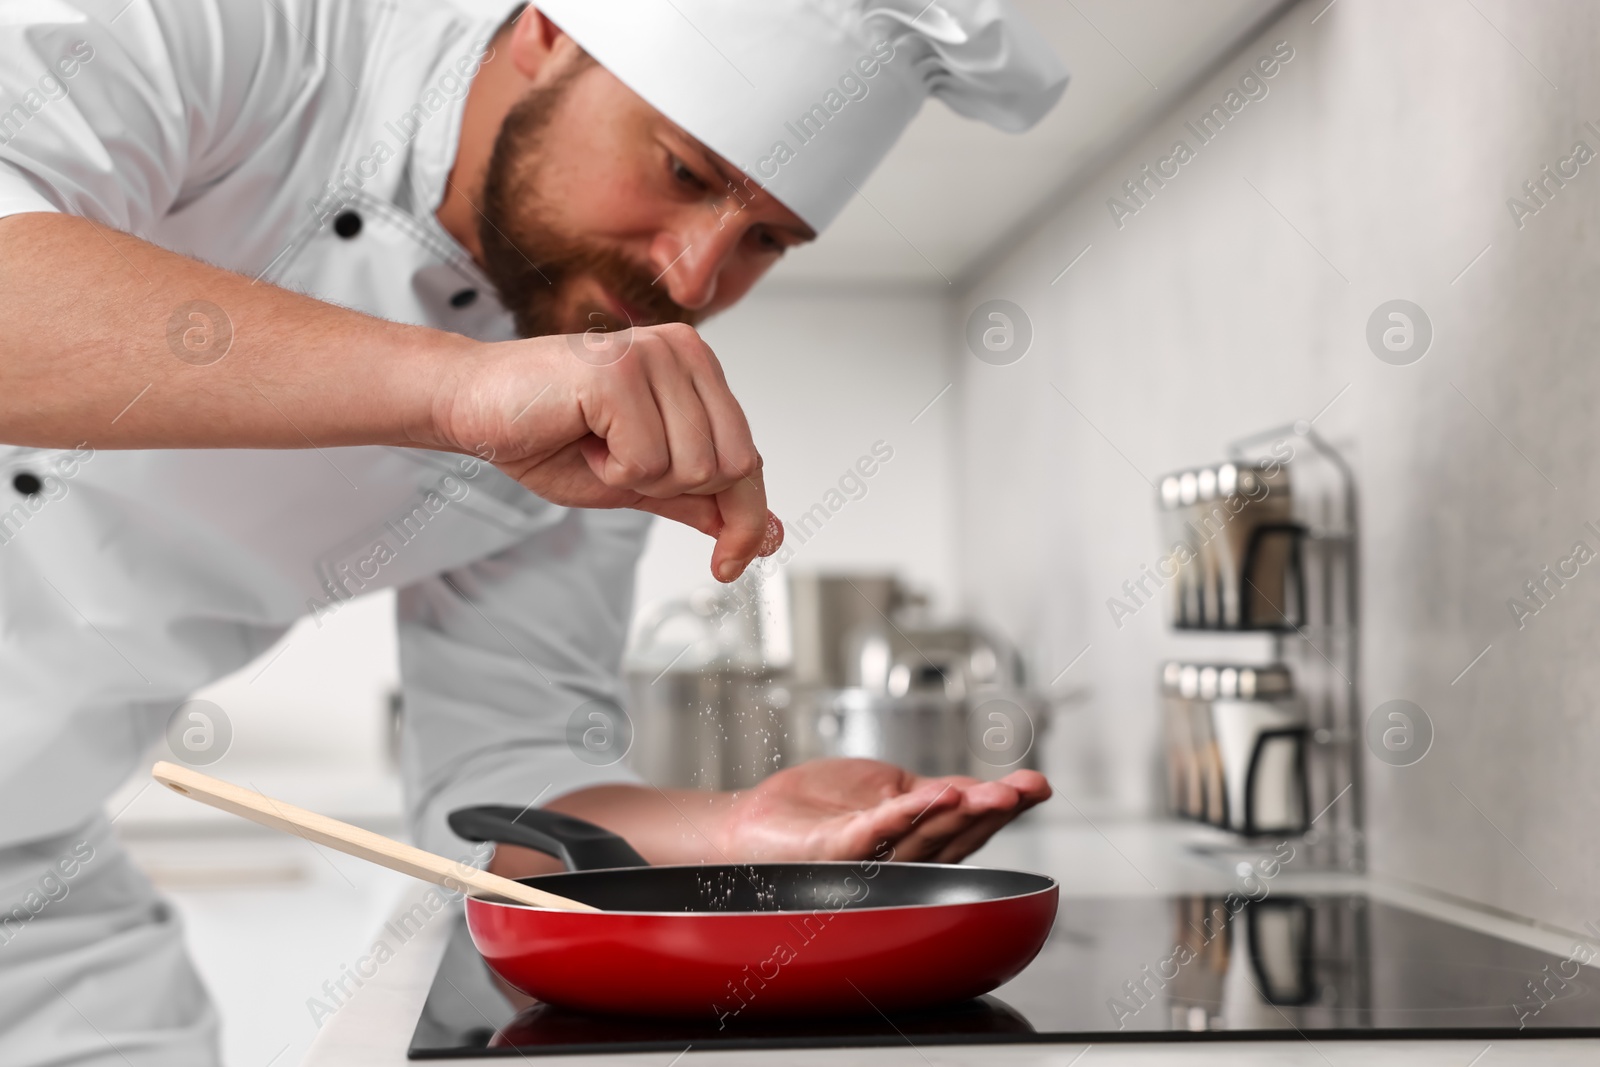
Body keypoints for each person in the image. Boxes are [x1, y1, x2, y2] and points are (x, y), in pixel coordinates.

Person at [0, 0, 1067, 1061]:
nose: (694, 277)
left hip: (35, 892)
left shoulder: (593, 377)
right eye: (686, 173)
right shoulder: (243, 34)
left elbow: (501, 777)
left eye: (766, 241)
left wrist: (726, 834)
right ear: (546, 32)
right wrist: (456, 391)